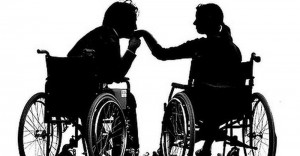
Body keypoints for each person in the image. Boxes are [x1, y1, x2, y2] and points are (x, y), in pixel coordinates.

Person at [136, 3, 242, 156]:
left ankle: (163, 150)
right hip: (232, 105)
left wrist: (145, 34)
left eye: (198, 19)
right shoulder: (234, 49)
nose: (194, 23)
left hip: (203, 102)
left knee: (183, 101)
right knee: (216, 101)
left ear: (208, 21)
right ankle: (206, 148)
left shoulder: (199, 46)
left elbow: (161, 54)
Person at [61, 1, 141, 155]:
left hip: (66, 93)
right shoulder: (111, 38)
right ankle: (129, 147)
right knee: (128, 98)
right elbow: (116, 75)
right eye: (133, 21)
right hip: (90, 94)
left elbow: (71, 56)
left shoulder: (95, 34)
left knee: (105, 94)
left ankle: (102, 142)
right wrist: (131, 50)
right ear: (121, 21)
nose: (135, 27)